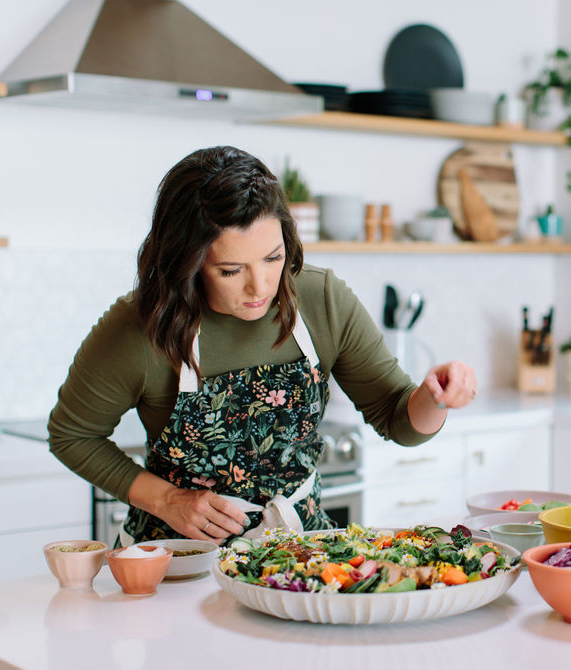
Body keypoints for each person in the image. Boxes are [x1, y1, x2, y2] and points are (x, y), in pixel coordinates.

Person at [48, 145, 477, 545]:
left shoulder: (321, 300)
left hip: (299, 555)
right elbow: (72, 435)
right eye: (231, 270)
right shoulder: (141, 326)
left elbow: (398, 419)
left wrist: (434, 397)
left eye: (273, 259)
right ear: (187, 263)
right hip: (178, 565)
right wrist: (164, 500)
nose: (261, 287)